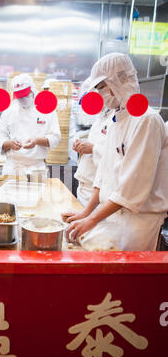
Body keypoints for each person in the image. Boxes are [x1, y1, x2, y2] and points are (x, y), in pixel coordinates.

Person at [63, 52, 168, 251]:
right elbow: (103, 174)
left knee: (126, 278)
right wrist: (86, 212)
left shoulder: (146, 120)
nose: (100, 93)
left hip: (137, 223)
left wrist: (92, 219)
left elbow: (133, 187)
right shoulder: (116, 120)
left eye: (101, 87)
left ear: (118, 82)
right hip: (111, 215)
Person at [0, 73, 61, 175]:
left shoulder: (46, 109)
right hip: (13, 167)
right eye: (19, 97)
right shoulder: (9, 111)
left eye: (25, 95)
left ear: (33, 89)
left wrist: (37, 141)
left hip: (36, 168)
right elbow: (0, 136)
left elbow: (55, 137)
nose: (23, 99)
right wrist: (10, 143)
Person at [73, 78, 114, 206]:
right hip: (85, 184)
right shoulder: (101, 117)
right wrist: (81, 146)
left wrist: (93, 148)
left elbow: (118, 157)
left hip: (98, 190)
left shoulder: (117, 119)